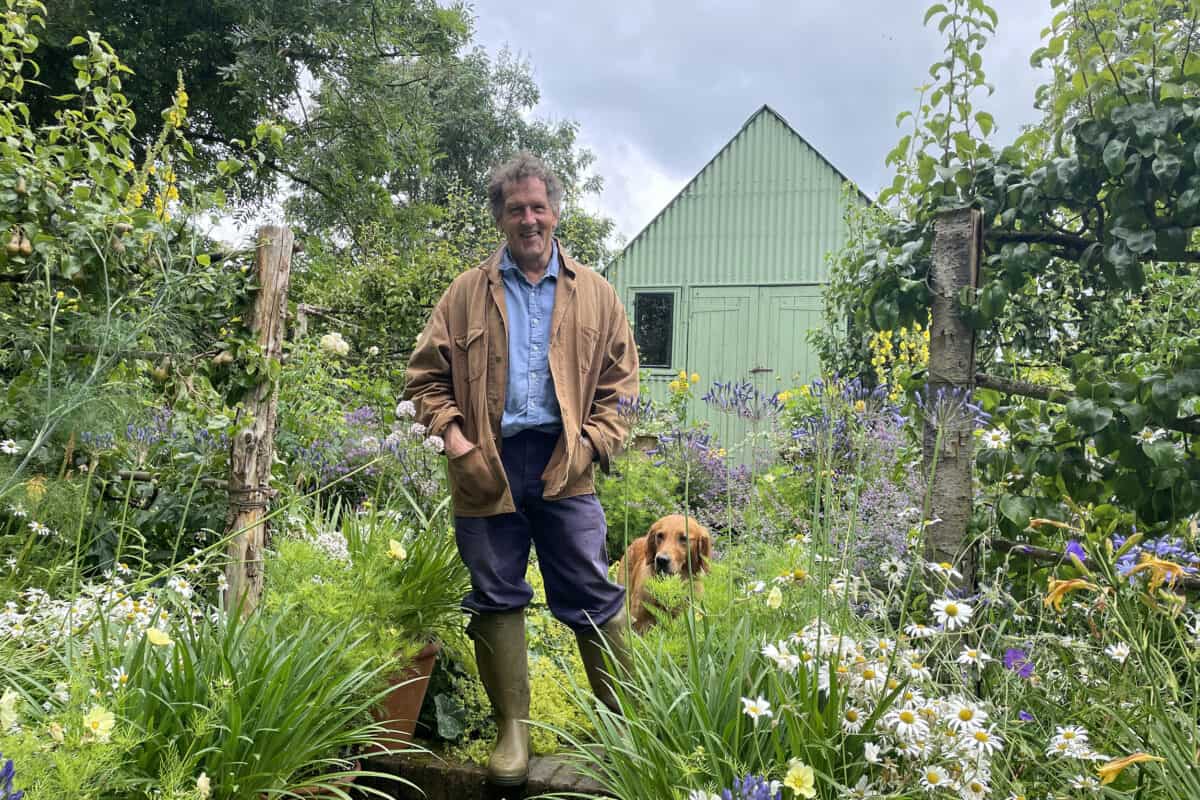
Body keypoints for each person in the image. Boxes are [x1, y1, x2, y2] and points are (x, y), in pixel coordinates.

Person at [404, 152, 639, 787]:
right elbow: (424, 379)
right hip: (487, 463)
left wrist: (590, 445)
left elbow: (622, 388)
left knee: (590, 590)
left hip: (568, 464)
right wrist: (458, 444)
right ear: (501, 219)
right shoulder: (464, 295)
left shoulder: (596, 294)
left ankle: (629, 733)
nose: (529, 219)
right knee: (495, 593)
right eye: (516, 210)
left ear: (556, 213)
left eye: (538, 207)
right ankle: (514, 732)